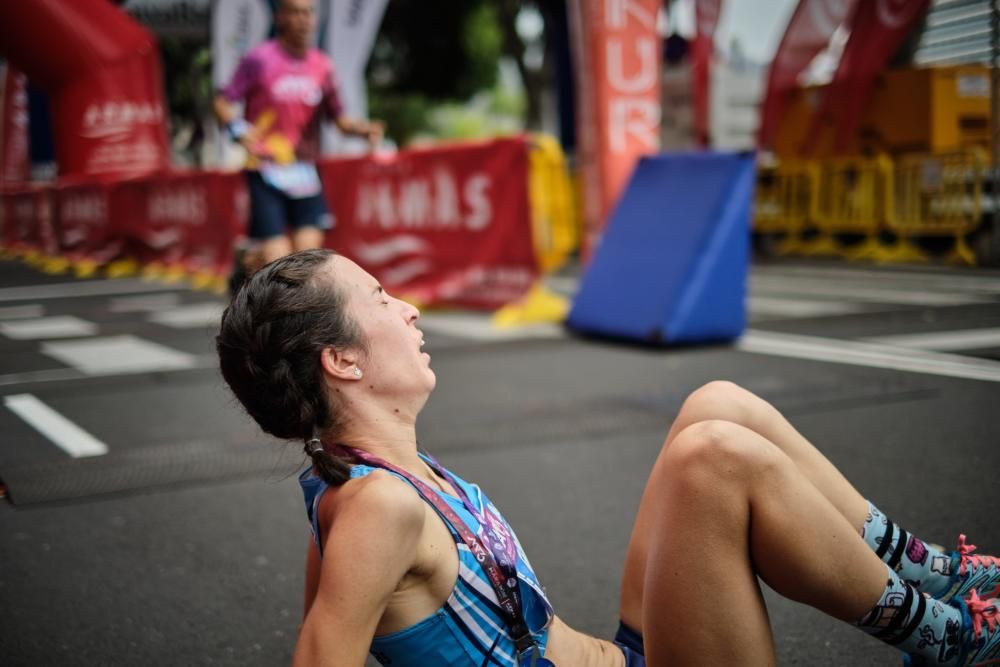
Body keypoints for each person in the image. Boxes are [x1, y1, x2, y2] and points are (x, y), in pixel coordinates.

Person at [215, 248, 1000, 666]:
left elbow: (334, 617)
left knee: (715, 403)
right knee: (713, 457)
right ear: (341, 362)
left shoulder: (346, 487)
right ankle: (948, 639)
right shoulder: (378, 506)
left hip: (624, 655)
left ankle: (931, 574)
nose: (409, 307)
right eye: (381, 298)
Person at [212, 0, 383, 287]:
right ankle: (253, 262)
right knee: (279, 262)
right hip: (264, 168)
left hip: (305, 172)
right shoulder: (259, 60)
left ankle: (249, 255)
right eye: (296, 12)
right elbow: (222, 102)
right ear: (281, 17)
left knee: (310, 263)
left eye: (309, 13)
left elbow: (339, 120)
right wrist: (238, 129)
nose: (304, 20)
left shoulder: (322, 66)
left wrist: (363, 130)